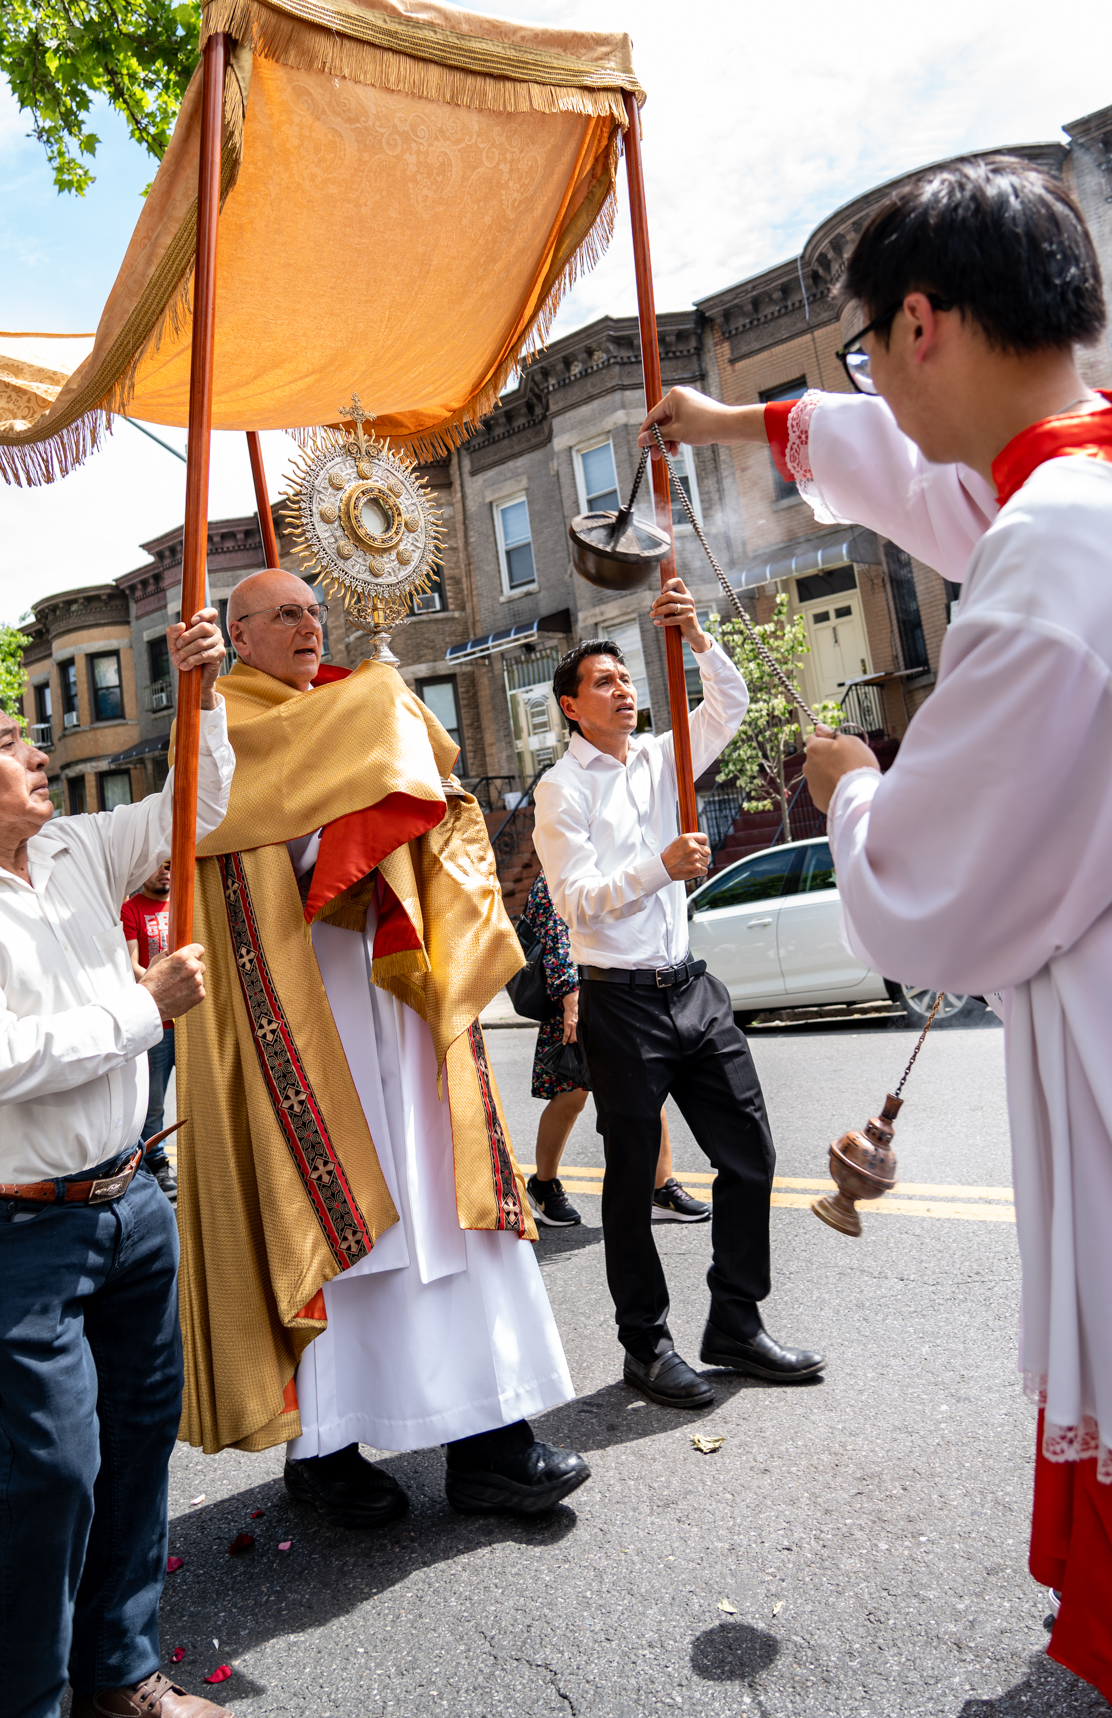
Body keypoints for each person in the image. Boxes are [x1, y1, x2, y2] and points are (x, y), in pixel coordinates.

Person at [640, 154, 1112, 1716]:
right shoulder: (1098, 482)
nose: (875, 393)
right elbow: (920, 477)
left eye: (867, 352)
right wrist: (728, 426)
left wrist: (851, 786)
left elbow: (937, 893)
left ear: (920, 323)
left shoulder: (1055, 551)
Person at [0, 608, 234, 1718]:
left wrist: (204, 693)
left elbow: (196, 807)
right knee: (50, 1474)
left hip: (131, 1199)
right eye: (10, 742)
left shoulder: (75, 847)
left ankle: (120, 1674)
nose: (36, 751)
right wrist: (146, 1005)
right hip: (12, 1228)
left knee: (136, 1445)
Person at [176, 567, 588, 1527]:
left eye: (313, 610)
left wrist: (398, 772)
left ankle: (491, 1447)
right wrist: (339, 759)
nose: (307, 625)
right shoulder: (223, 725)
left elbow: (436, 809)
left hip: (404, 1002)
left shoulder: (367, 702)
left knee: (451, 1214)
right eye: (282, 614)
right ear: (238, 635)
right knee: (344, 1230)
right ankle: (325, 1452)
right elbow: (219, 833)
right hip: (308, 1018)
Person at [534, 589, 825, 1409]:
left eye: (626, 677)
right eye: (603, 682)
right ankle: (646, 1345)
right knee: (632, 1183)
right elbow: (573, 900)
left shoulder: (662, 758)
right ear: (571, 706)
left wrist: (696, 635)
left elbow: (729, 704)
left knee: (750, 1157)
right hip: (619, 1002)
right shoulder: (562, 789)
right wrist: (658, 867)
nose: (623, 689)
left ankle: (734, 1323)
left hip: (692, 991)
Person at [521, 870, 709, 1231]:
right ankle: (543, 1184)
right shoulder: (558, 868)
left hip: (622, 993)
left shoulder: (613, 860)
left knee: (648, 1083)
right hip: (578, 998)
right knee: (570, 1098)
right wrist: (569, 997)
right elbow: (557, 935)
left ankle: (661, 1188)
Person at [122, 859, 177, 1202]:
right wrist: (170, 989)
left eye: (169, 864)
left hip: (192, 1021)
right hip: (157, 1021)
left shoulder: (187, 902)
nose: (164, 870)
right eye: (157, 865)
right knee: (153, 1103)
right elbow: (131, 965)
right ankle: (155, 1163)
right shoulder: (130, 909)